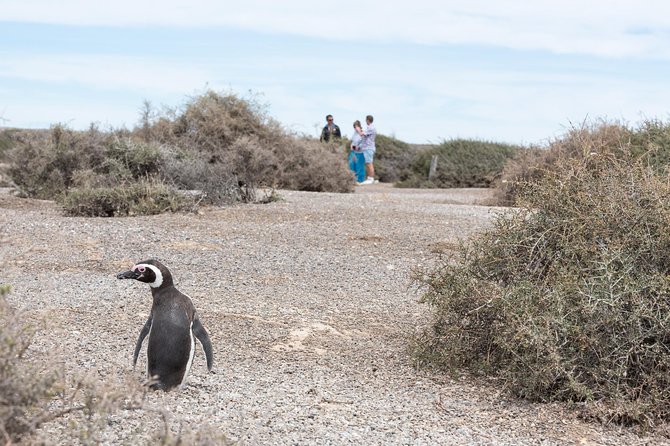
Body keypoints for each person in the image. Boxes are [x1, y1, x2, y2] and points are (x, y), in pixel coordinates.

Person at [356, 115, 377, 184]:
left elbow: (362, 134)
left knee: (369, 163)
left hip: (369, 148)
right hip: (367, 148)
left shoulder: (371, 127)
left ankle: (370, 178)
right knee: (368, 162)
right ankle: (370, 178)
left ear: (367, 120)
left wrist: (358, 130)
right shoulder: (370, 127)